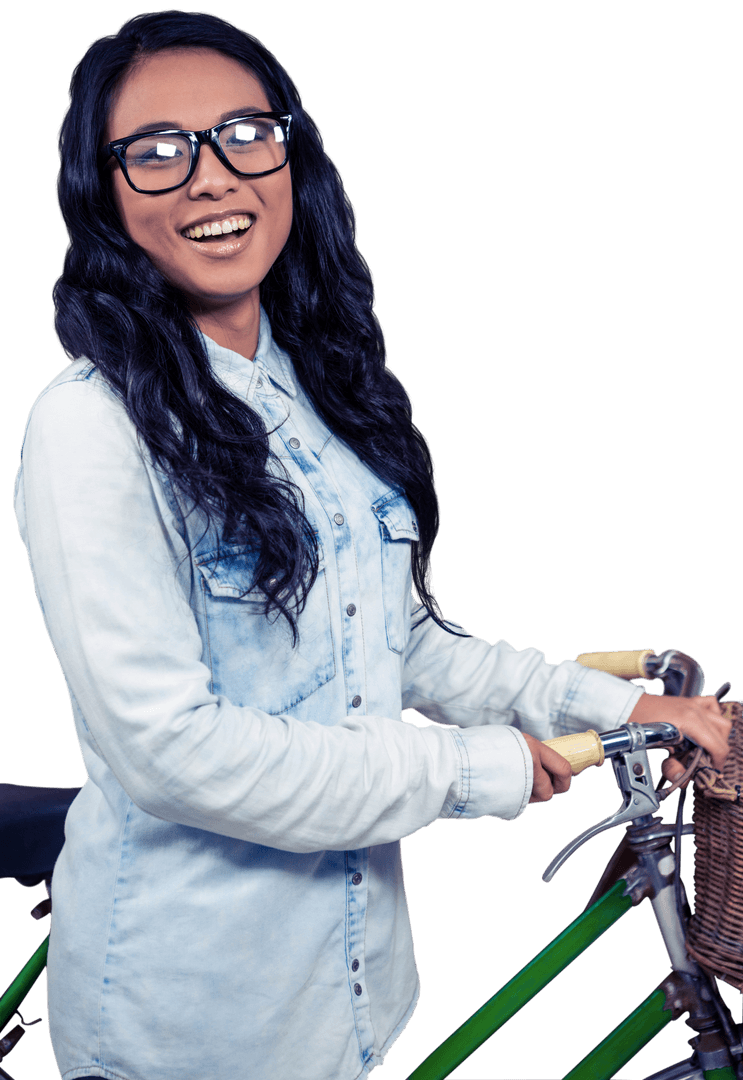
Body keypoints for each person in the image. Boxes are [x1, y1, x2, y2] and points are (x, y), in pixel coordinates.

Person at [13, 10, 731, 1080]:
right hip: (197, 1018)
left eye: (243, 135)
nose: (210, 178)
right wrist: (470, 769)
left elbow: (405, 647)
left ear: (290, 155)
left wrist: (619, 710)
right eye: (157, 152)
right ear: (103, 191)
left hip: (348, 984)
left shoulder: (318, 394)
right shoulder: (92, 426)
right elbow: (169, 750)